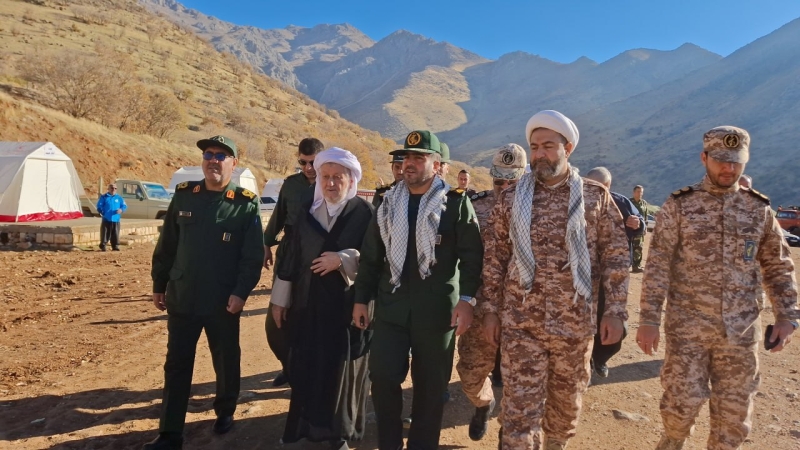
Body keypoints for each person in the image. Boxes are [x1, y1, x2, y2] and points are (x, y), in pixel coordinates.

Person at [636, 126, 799, 450]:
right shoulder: (680, 205)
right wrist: (649, 320)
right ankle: (672, 442)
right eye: (721, 160)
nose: (729, 168)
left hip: (741, 332)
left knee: (733, 420)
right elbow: (658, 265)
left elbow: (778, 265)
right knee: (679, 408)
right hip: (688, 329)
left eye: (736, 161)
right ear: (704, 158)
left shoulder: (758, 209)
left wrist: (787, 316)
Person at [481, 110, 629, 449]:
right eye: (534, 147)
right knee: (518, 416)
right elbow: (495, 258)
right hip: (521, 325)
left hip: (574, 326)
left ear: (568, 148)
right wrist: (489, 310)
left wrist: (615, 311)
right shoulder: (511, 198)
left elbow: (616, 257)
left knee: (564, 412)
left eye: (548, 146)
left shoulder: (595, 197)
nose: (540, 154)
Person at [353, 130, 484, 450]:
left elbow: (472, 258)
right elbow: (371, 256)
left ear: (436, 165)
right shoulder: (387, 202)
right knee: (383, 377)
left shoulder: (455, 204)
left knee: (430, 387)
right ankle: (389, 444)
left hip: (437, 313)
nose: (409, 163)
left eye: (419, 157)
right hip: (391, 308)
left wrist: (467, 300)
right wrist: (361, 299)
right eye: (406, 157)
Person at [146, 135, 264, 450]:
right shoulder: (185, 196)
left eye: (221, 156)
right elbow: (167, 245)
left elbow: (252, 257)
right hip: (183, 294)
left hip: (222, 300)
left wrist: (241, 292)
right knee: (176, 364)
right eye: (209, 154)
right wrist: (159, 284)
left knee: (225, 359)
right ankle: (170, 432)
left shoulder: (245, 203)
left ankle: (225, 410)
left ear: (233, 164)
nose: (213, 160)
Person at [270, 148, 374, 450]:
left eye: (337, 177)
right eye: (325, 176)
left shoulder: (365, 214)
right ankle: (305, 428)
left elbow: (375, 258)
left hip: (345, 309)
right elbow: (290, 256)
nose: (330, 183)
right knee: (307, 366)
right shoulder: (306, 211)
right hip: (307, 304)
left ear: (350, 180)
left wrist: (343, 259)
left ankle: (337, 435)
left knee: (339, 371)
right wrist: (280, 300)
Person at [456, 143, 527, 441]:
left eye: (512, 183)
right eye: (499, 182)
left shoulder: (539, 209)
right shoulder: (475, 206)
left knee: (523, 379)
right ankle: (483, 404)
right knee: (470, 374)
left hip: (524, 309)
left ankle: (509, 432)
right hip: (481, 303)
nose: (505, 188)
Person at [263, 137, 325, 387]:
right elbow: (278, 216)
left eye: (313, 163)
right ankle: (288, 366)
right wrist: (266, 243)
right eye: (303, 162)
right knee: (277, 318)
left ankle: (308, 369)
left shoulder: (330, 182)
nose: (308, 168)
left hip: (317, 255)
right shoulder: (291, 185)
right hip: (289, 253)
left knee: (311, 314)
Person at [585, 167, 644, 378]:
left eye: (602, 187)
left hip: (612, 275)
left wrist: (637, 224)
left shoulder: (621, 202)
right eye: (592, 186)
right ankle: (586, 361)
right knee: (584, 321)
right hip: (583, 275)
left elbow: (640, 224)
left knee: (615, 322)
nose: (597, 191)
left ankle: (601, 358)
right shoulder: (575, 201)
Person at [96, 183, 127, 251]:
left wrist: (121, 210)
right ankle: (103, 246)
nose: (113, 189)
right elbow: (99, 206)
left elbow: (124, 206)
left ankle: (115, 246)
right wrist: (102, 212)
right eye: (112, 188)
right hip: (106, 219)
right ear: (108, 189)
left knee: (115, 233)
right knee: (105, 233)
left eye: (115, 188)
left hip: (116, 219)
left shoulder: (119, 197)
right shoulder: (104, 197)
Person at [629, 185, 649, 272]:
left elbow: (645, 217)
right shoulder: (629, 202)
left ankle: (636, 266)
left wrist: (645, 228)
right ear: (634, 192)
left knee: (638, 247)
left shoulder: (644, 203)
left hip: (640, 229)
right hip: (630, 228)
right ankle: (626, 265)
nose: (640, 193)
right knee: (628, 247)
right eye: (638, 191)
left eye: (641, 192)